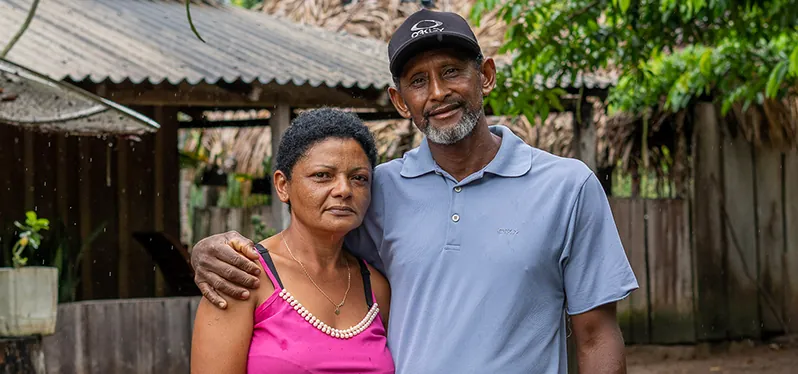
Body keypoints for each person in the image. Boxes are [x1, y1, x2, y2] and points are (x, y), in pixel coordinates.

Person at [189, 8, 638, 374]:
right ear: (401, 100)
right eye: (418, 81)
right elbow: (305, 246)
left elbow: (597, 336)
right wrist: (209, 249)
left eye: (451, 71)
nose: (438, 92)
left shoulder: (566, 186)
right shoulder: (376, 188)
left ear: (485, 76)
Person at [189, 108, 394, 373]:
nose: (344, 189)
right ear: (283, 186)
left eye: (359, 178)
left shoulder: (376, 287)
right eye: (323, 175)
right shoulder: (242, 276)